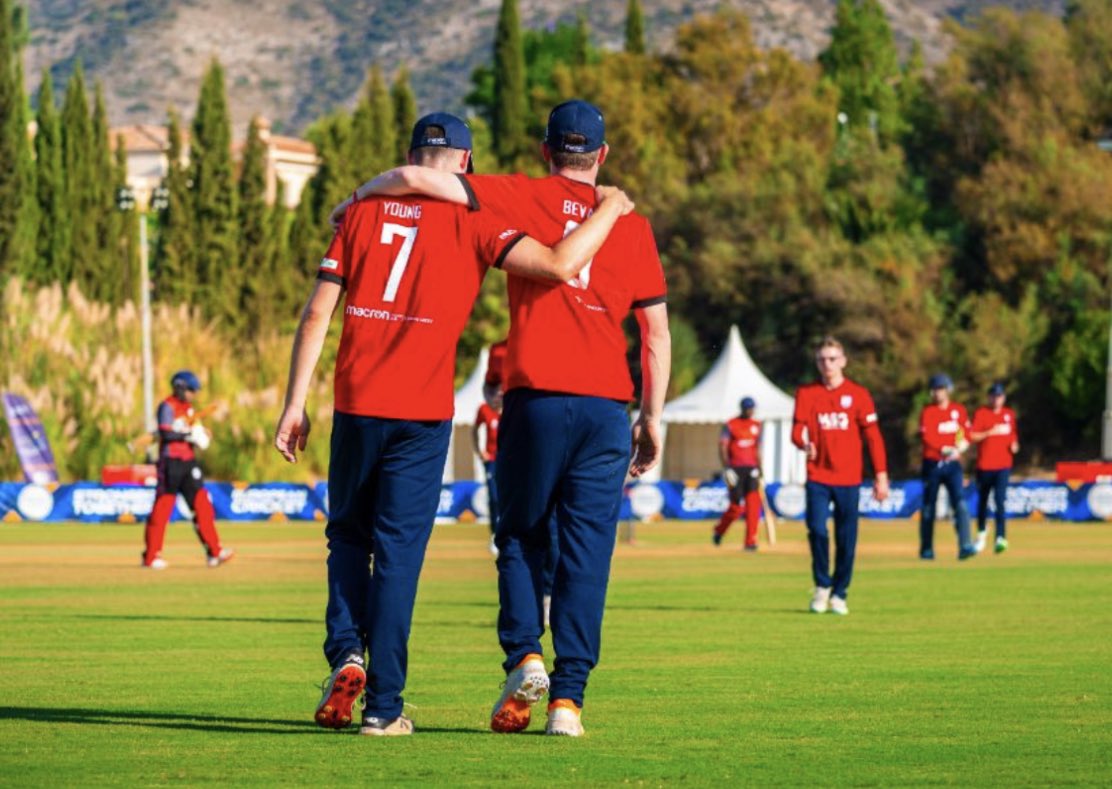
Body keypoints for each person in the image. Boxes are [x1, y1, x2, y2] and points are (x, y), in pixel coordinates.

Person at [273, 112, 633, 737]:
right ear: (466, 164)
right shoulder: (476, 218)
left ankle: (346, 653)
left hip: (356, 403)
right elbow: (553, 265)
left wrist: (293, 403)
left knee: (346, 539)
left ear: (411, 155)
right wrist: (610, 207)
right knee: (398, 560)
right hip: (421, 410)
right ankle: (383, 709)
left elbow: (315, 316)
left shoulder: (358, 216)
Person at [791, 337, 889, 616]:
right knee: (818, 530)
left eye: (833, 358)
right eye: (822, 359)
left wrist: (881, 475)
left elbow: (873, 438)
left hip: (848, 478)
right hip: (818, 476)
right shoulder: (807, 393)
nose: (827, 364)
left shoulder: (858, 394)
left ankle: (840, 593)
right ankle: (822, 586)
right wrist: (803, 444)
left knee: (847, 538)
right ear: (817, 362)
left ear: (843, 361)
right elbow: (796, 431)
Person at [141, 371, 234, 570]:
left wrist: (201, 434)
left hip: (189, 462)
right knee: (163, 507)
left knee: (202, 505)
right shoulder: (167, 406)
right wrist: (186, 434)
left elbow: (194, 430)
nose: (193, 394)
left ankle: (214, 552)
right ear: (180, 388)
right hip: (170, 462)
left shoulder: (189, 409)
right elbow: (165, 432)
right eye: (191, 390)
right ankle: (151, 556)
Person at [918, 373, 976, 561]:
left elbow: (964, 433)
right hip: (932, 464)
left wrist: (962, 445)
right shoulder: (928, 412)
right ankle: (926, 548)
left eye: (941, 389)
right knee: (929, 507)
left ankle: (965, 544)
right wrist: (943, 448)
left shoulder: (958, 411)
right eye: (935, 389)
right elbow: (927, 437)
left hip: (953, 465)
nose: (938, 393)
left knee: (960, 503)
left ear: (948, 390)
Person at [970, 382, 1018, 554]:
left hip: (1003, 466)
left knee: (999, 501)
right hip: (984, 466)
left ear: (1003, 398)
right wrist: (988, 433)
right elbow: (972, 436)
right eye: (994, 396)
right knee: (982, 502)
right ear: (989, 397)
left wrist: (1014, 446)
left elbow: (1013, 438)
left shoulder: (1009, 415)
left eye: (999, 396)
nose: (997, 399)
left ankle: (1001, 537)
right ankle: (981, 534)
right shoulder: (982, 414)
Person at [713, 396, 763, 551]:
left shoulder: (757, 425)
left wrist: (761, 470)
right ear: (741, 409)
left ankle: (750, 542)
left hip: (752, 469)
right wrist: (726, 467)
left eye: (752, 408)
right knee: (736, 507)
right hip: (735, 469)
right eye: (747, 408)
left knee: (753, 506)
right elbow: (722, 447)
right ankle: (719, 530)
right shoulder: (731, 424)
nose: (750, 411)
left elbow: (758, 449)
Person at [472, 347, 504, 557]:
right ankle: (494, 534)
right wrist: (479, 451)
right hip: (491, 459)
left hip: (510, 461)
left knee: (508, 498)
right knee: (493, 497)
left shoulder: (513, 408)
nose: (498, 394)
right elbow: (474, 430)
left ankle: (509, 533)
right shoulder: (484, 409)